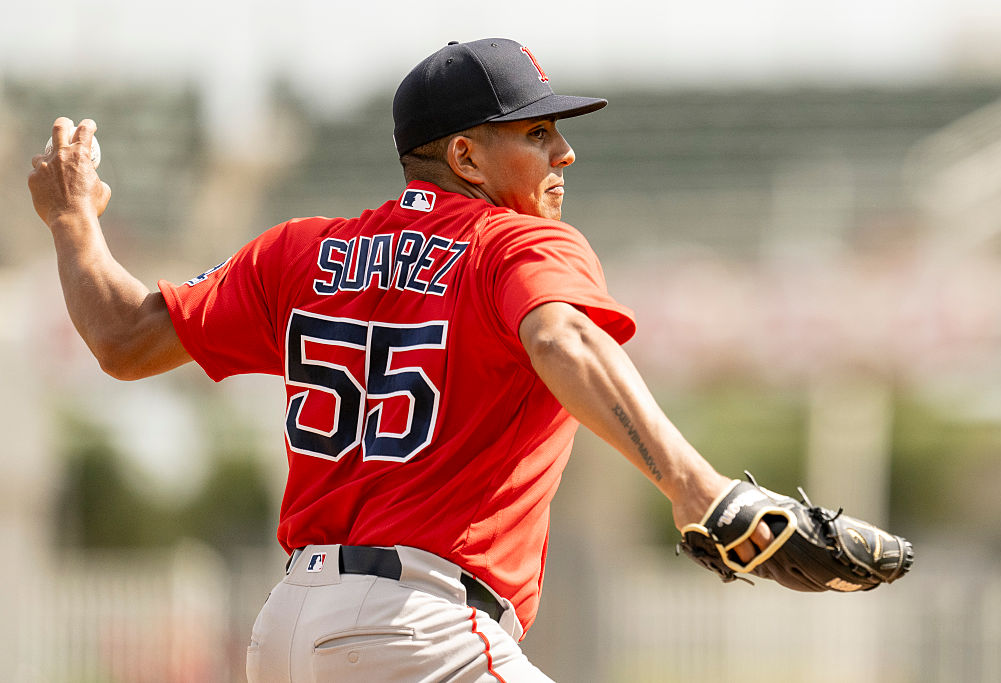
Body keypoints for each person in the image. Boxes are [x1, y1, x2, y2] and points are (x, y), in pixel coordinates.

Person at [29, 38, 770, 682]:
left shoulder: (298, 251)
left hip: (287, 630)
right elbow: (561, 339)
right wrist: (696, 487)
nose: (564, 151)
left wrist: (71, 220)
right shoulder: (515, 243)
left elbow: (123, 337)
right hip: (419, 630)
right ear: (466, 156)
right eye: (538, 131)